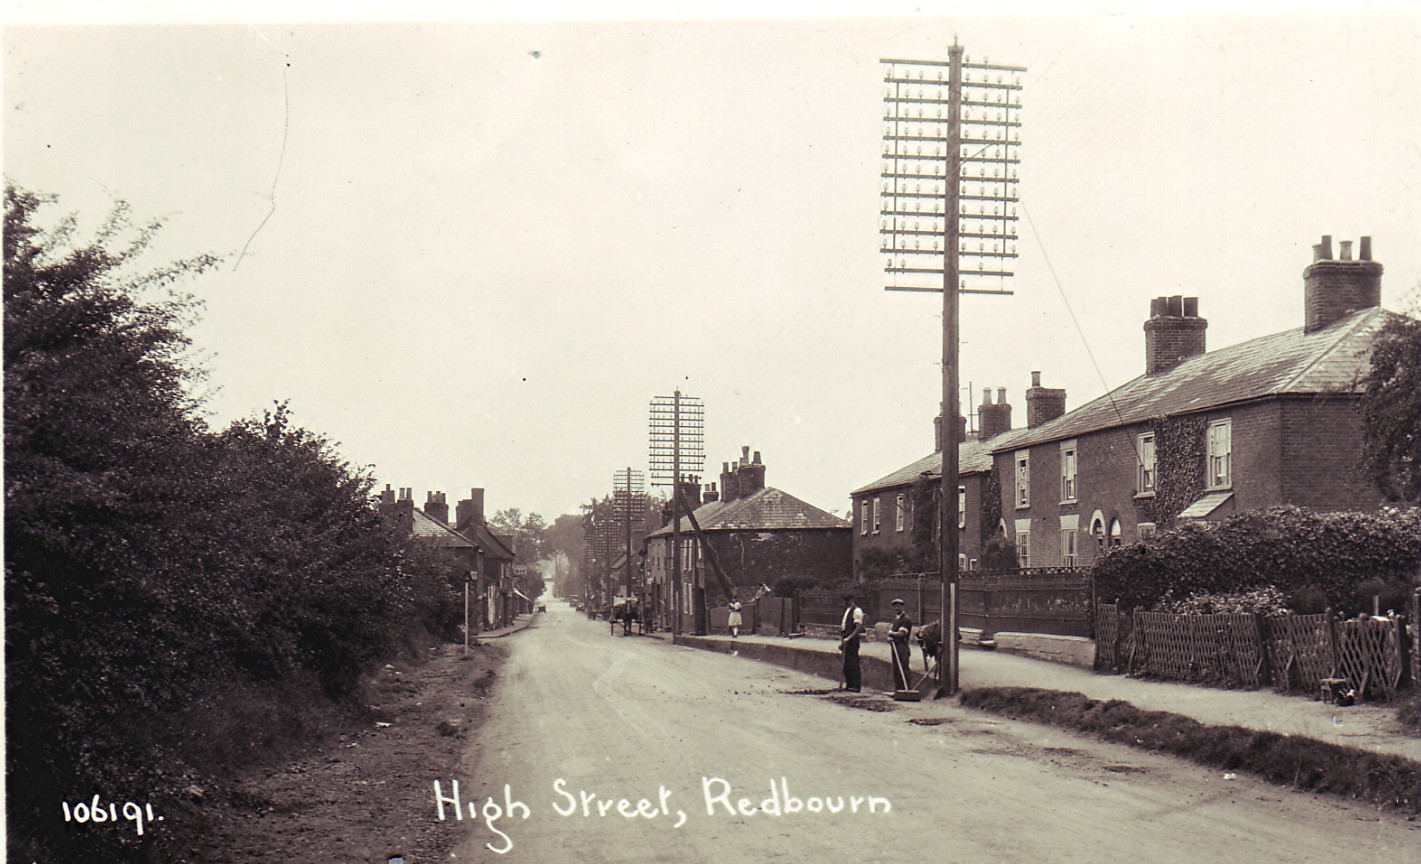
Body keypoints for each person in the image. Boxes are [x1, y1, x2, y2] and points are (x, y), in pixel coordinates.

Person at [838, 592, 865, 692]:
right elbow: (844, 627)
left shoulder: (857, 611)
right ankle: (849, 684)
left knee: (853, 662)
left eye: (847, 600)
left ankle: (856, 686)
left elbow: (858, 627)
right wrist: (843, 640)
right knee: (846, 663)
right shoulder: (847, 610)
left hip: (852, 640)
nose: (846, 603)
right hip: (845, 638)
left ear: (851, 600)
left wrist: (849, 638)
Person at [888, 598, 913, 691]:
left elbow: (902, 634)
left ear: (903, 607)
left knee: (903, 667)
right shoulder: (896, 619)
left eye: (898, 606)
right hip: (895, 646)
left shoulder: (905, 619)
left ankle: (906, 689)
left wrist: (892, 633)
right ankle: (898, 690)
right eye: (895, 606)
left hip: (902, 646)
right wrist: (890, 638)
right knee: (896, 669)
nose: (896, 608)